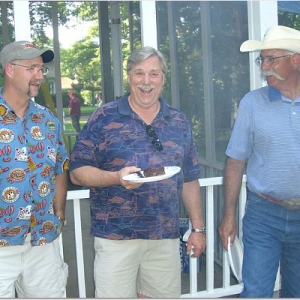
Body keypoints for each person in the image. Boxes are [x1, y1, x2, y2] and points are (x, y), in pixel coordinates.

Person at [69, 46, 206, 298]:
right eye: (139, 73)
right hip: (115, 238)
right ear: (129, 77)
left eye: (154, 74)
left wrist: (197, 230)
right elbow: (77, 172)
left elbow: (190, 178)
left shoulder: (178, 121)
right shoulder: (104, 116)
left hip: (164, 238)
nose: (146, 81)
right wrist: (115, 178)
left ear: (163, 78)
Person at [219, 25, 300, 298]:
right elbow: (235, 161)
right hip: (264, 214)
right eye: (262, 60)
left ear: (296, 60)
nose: (264, 66)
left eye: (271, 59)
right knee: (255, 293)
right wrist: (228, 215)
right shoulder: (252, 103)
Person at [0, 40, 69, 298]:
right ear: (10, 70)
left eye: (41, 69)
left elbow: (60, 167)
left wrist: (59, 213)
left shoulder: (48, 120)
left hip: (42, 241)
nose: (39, 76)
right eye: (32, 68)